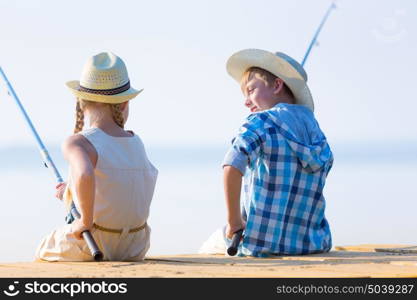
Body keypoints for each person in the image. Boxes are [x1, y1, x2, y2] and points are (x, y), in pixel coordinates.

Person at [200, 49, 333, 257]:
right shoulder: (317, 132)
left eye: (251, 90)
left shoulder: (261, 123)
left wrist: (234, 221)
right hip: (311, 243)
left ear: (278, 85)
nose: (246, 101)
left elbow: (231, 168)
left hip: (261, 244)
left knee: (208, 247)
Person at [35, 52, 158, 261]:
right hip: (136, 245)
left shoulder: (78, 142)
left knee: (43, 247)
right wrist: (69, 192)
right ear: (125, 104)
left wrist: (84, 221)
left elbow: (84, 174)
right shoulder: (136, 142)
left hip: (95, 242)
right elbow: (116, 186)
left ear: (81, 102)